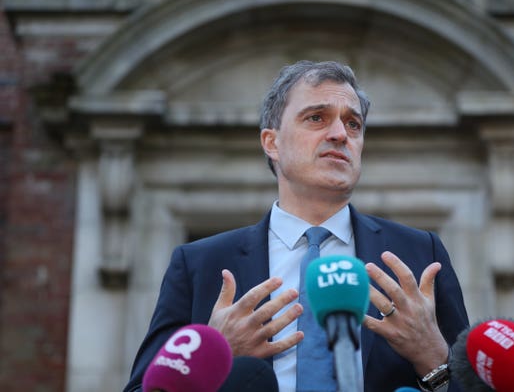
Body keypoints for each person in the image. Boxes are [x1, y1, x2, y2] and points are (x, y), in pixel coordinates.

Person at [124, 60, 469, 392]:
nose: (339, 134)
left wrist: (434, 358)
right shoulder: (200, 264)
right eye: (317, 118)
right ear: (271, 143)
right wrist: (213, 356)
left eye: (353, 124)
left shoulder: (420, 255)